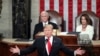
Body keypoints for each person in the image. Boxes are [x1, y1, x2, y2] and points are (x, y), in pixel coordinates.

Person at [10, 24, 85, 56]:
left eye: (49, 30)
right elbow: (30, 49)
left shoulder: (58, 41)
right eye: (45, 30)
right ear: (44, 31)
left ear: (52, 31)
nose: (47, 32)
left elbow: (66, 50)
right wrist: (19, 51)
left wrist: (75, 52)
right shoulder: (38, 40)